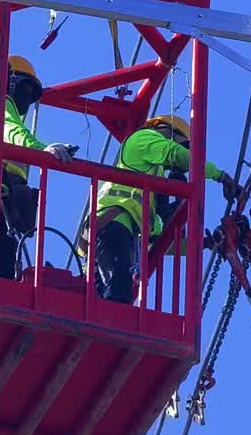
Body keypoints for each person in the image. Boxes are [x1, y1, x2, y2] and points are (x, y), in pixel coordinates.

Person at [86, 115, 242, 303]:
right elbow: (176, 155)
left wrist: (208, 243)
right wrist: (221, 176)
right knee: (118, 294)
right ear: (168, 131)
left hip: (114, 233)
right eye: (183, 145)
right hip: (111, 225)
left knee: (107, 299)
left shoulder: (151, 183)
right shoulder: (142, 138)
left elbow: (160, 243)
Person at [0, 55, 76, 279]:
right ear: (7, 82)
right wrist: (42, 150)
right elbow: (10, 131)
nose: (26, 98)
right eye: (24, 89)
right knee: (0, 257)